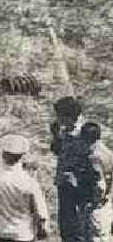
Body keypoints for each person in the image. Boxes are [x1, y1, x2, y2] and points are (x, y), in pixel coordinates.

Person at [0, 134, 49, 242]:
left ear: (3, 155)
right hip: (23, 235)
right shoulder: (29, 182)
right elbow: (41, 213)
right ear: (23, 156)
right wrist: (42, 230)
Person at [52, 96, 88, 242]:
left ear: (68, 116)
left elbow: (91, 162)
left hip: (77, 187)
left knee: (76, 227)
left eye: (59, 116)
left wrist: (76, 177)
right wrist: (56, 136)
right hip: (64, 184)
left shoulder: (84, 134)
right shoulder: (66, 131)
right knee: (66, 225)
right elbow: (58, 151)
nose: (57, 119)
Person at [81, 122, 113, 242]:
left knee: (95, 237)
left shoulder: (93, 157)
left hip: (96, 206)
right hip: (107, 204)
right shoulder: (108, 153)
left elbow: (100, 184)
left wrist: (94, 202)